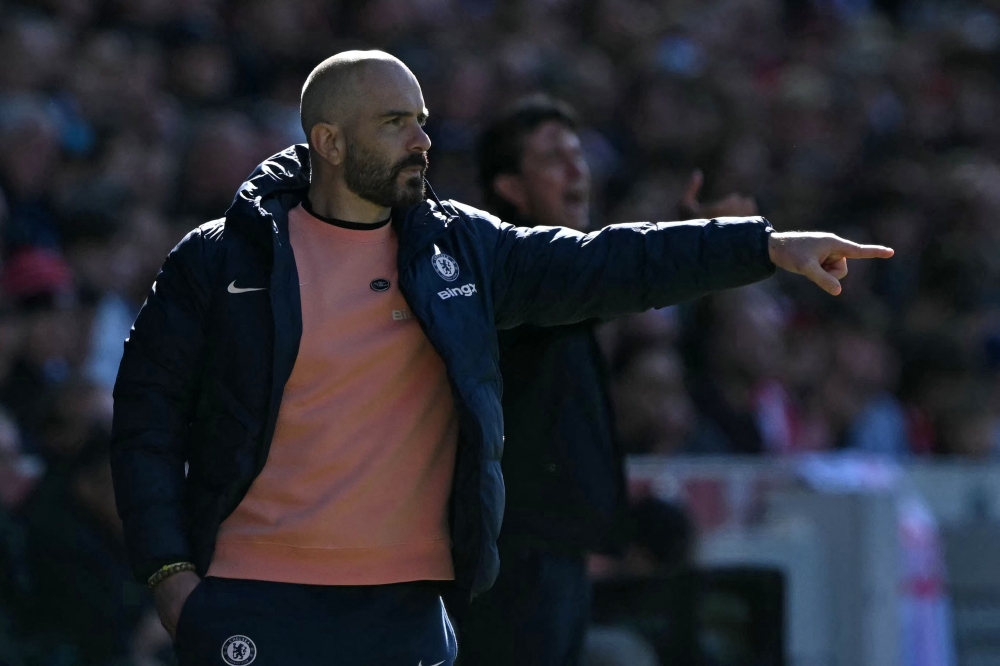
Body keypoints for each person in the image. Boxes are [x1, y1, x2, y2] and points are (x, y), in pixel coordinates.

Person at [109, 50, 893, 665]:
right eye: (395, 122)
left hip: (405, 608)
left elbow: (611, 263)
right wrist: (171, 577)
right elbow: (145, 421)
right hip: (254, 598)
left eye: (420, 118)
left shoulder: (463, 248)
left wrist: (764, 246)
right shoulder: (218, 261)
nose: (422, 138)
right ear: (330, 142)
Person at [458, 97, 754, 666]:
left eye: (579, 155)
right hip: (515, 558)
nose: (577, 171)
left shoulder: (559, 278)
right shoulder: (508, 273)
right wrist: (692, 241)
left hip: (551, 552)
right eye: (553, 158)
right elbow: (619, 275)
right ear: (511, 189)